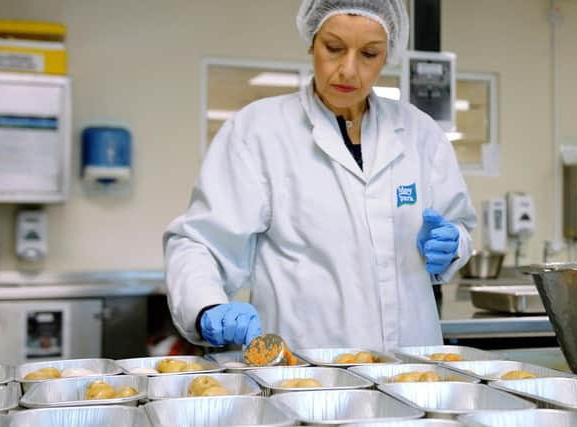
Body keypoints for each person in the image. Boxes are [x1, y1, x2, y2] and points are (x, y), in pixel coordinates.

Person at [163, 0, 477, 351]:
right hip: (303, 373)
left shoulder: (420, 133)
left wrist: (453, 246)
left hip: (410, 369)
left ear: (387, 55)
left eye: (369, 54)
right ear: (312, 41)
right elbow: (201, 242)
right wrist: (207, 306)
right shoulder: (258, 131)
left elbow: (459, 226)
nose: (348, 70)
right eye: (334, 48)